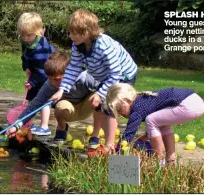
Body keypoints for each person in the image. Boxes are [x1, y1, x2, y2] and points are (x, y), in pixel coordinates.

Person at [49, 9, 138, 156]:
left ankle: (110, 147)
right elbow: (74, 68)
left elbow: (116, 72)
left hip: (124, 75)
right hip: (105, 77)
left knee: (109, 107)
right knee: (100, 106)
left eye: (73, 33)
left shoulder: (104, 46)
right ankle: (105, 143)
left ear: (86, 33)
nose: (70, 36)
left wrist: (100, 93)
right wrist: (62, 90)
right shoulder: (78, 45)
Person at [6, 51, 101, 145]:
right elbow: (34, 105)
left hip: (87, 107)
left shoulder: (85, 78)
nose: (53, 83)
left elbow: (107, 87)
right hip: (70, 110)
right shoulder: (50, 84)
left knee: (100, 96)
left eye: (57, 79)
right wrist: (17, 126)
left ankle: (95, 135)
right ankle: (62, 128)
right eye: (50, 79)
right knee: (60, 106)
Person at [106, 83, 204, 165]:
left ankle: (159, 160)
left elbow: (129, 133)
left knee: (151, 120)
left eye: (119, 109)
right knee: (162, 124)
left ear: (127, 100)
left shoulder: (137, 109)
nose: (120, 114)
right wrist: (146, 136)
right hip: (194, 101)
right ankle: (171, 160)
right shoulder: (142, 100)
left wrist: (118, 151)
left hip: (188, 104)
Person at [17, 12, 55, 135]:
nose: (26, 38)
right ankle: (29, 123)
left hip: (46, 76)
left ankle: (44, 126)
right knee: (30, 98)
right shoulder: (27, 42)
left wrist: (32, 82)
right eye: (23, 35)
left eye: (29, 35)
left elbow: (43, 71)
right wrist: (26, 67)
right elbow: (24, 57)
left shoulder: (41, 49)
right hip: (36, 72)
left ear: (38, 31)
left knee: (43, 99)